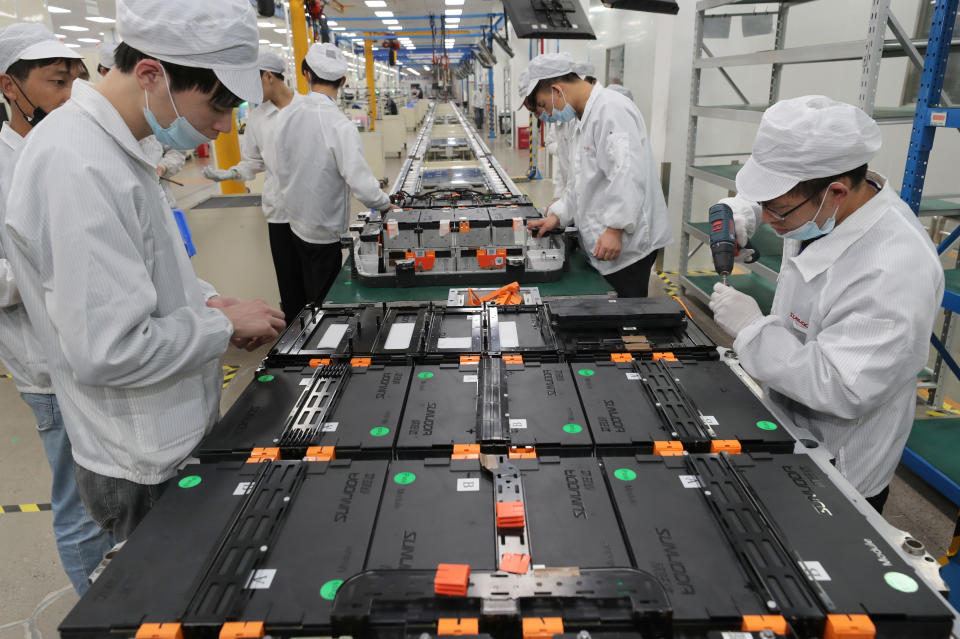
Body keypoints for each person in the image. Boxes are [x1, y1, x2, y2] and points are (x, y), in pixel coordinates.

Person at [2, 0, 286, 542]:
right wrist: (222, 327)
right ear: (152, 74)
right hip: (141, 459)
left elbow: (149, 270)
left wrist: (208, 303)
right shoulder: (77, 162)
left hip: (166, 433)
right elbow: (108, 348)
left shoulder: (119, 146)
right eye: (217, 106)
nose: (224, 126)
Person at [708, 96, 944, 513]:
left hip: (841, 462)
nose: (769, 217)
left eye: (776, 211)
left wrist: (752, 330)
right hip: (787, 419)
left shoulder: (893, 270)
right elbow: (787, 198)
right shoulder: (833, 203)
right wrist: (742, 213)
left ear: (836, 191)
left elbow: (841, 386)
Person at [0, 22, 113, 595]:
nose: (70, 92)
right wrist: (59, 261)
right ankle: (96, 612)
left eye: (74, 77)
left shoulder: (74, 142)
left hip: (98, 351)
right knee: (79, 503)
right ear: (9, 86)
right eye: (54, 80)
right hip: (45, 365)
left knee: (113, 493)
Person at [522, 53, 672, 297]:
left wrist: (615, 228)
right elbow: (580, 183)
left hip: (627, 247)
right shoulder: (583, 119)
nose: (547, 113)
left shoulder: (610, 109)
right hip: (607, 243)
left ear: (557, 91)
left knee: (626, 316)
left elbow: (627, 173)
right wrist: (558, 215)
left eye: (544, 105)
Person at [274, 42, 397, 305]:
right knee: (323, 301)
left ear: (306, 73)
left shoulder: (285, 116)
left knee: (301, 294)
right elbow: (361, 185)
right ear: (343, 81)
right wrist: (385, 204)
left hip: (293, 222)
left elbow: (279, 165)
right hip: (323, 232)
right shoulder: (340, 125)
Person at [204, 51, 304, 322]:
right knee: (289, 281)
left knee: (318, 279)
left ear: (269, 76)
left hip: (312, 210)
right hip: (279, 212)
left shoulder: (308, 109)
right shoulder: (259, 118)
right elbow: (253, 162)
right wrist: (231, 173)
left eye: (252, 82)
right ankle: (296, 338)